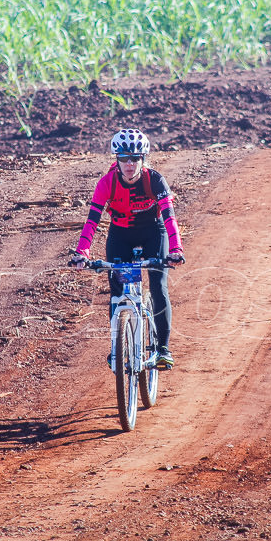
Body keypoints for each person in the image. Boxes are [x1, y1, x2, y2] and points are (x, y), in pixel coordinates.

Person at [70, 128, 185, 370]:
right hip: (121, 234)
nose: (129, 164)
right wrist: (82, 253)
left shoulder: (155, 180)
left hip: (153, 232)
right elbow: (92, 220)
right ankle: (116, 347)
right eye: (123, 158)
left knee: (157, 284)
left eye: (134, 158)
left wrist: (175, 249)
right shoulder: (106, 183)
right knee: (118, 291)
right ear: (116, 160)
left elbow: (169, 218)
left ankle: (162, 348)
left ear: (143, 159)